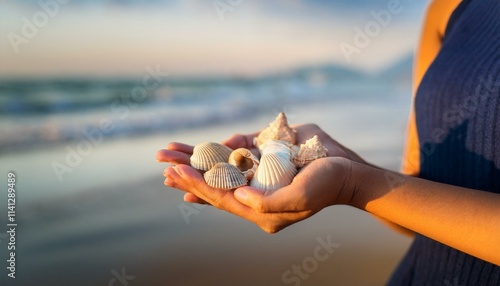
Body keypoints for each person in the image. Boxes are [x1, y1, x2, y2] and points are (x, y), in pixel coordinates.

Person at [156, 0, 500, 284]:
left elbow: (366, 188)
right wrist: (348, 163)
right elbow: (415, 206)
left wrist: (351, 185)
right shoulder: (445, 8)